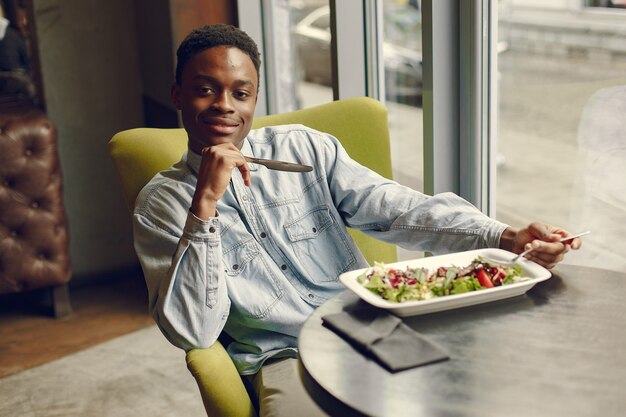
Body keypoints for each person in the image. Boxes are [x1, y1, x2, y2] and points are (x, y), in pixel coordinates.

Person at [133, 24, 581, 417]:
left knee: (470, 394)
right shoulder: (160, 205)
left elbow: (396, 207)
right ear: (177, 94)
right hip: (283, 358)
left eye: (241, 92)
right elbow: (193, 329)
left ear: (255, 98)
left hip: (367, 324)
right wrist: (205, 204)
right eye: (205, 88)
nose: (224, 106)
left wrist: (504, 235)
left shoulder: (304, 151)